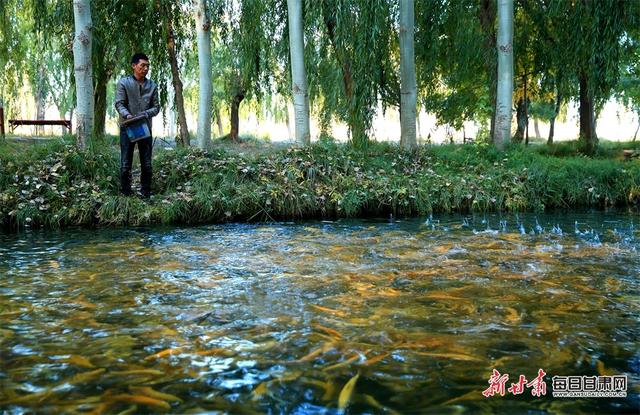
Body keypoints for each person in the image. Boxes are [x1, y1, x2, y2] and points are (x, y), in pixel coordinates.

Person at [115, 53, 160, 198]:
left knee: (147, 163)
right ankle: (126, 193)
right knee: (125, 163)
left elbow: (156, 107)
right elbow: (119, 103)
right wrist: (127, 115)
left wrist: (145, 114)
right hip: (127, 127)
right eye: (143, 65)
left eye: (147, 66)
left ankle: (145, 193)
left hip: (144, 128)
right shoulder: (124, 83)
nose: (146, 69)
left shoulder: (152, 86)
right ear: (134, 66)